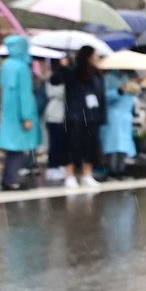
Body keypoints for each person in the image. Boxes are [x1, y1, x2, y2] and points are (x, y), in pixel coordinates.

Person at [51, 46, 108, 188]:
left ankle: (87, 174)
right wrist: (63, 67)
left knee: (90, 147)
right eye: (95, 55)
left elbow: (101, 96)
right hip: (74, 116)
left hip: (92, 116)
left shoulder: (97, 74)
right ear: (88, 56)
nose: (97, 58)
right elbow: (55, 80)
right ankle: (69, 176)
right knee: (71, 146)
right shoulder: (73, 71)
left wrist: (102, 115)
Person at [0, 34, 41, 190]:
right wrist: (27, 116)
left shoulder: (6, 65)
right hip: (20, 114)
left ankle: (7, 177)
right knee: (18, 148)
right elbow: (25, 94)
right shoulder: (22, 67)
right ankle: (12, 179)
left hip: (8, 112)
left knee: (11, 148)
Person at [99, 68, 139, 179]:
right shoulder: (108, 78)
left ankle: (121, 169)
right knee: (113, 144)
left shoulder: (126, 78)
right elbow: (105, 95)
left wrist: (135, 89)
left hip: (125, 115)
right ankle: (112, 169)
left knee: (124, 144)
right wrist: (119, 91)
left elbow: (132, 96)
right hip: (114, 115)